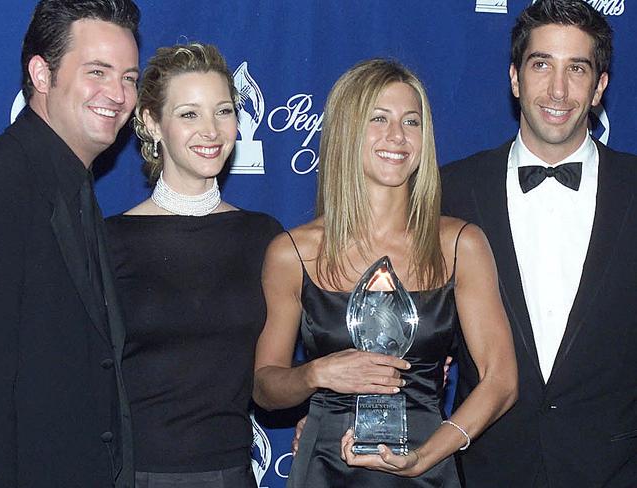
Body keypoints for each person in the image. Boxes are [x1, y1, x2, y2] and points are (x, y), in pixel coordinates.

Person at [253, 59, 517, 487]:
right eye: (379, 119)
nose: (397, 136)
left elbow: (501, 379)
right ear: (346, 130)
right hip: (325, 469)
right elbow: (264, 386)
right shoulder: (292, 253)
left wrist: (427, 455)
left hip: (427, 467)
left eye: (411, 122)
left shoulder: (460, 244)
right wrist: (316, 374)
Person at [441, 1, 637, 486]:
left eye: (577, 69)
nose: (557, 89)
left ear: (599, 88)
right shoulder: (450, 191)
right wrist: (344, 418)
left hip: (615, 469)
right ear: (515, 78)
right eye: (541, 64)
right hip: (487, 468)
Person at [105, 43, 282, 488]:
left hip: (231, 471)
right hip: (131, 472)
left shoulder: (264, 237)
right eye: (189, 114)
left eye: (223, 111)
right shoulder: (107, 240)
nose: (211, 130)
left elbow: (293, 357)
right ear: (151, 122)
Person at [0, 1, 139, 487]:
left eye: (130, 77)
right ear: (42, 74)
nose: (117, 94)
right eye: (98, 72)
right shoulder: (2, 184)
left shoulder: (76, 190)